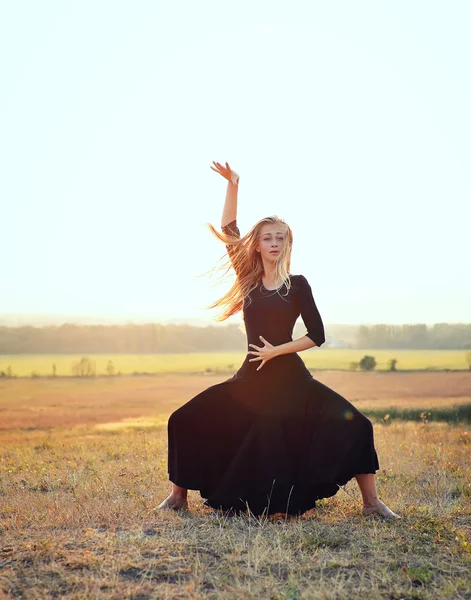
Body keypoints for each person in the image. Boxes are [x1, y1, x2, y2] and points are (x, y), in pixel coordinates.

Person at [158, 161, 399, 519]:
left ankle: (372, 503)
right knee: (184, 418)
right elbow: (228, 228)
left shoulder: (297, 284)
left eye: (280, 238)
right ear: (256, 245)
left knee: (358, 424)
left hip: (291, 378)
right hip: (250, 378)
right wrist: (234, 184)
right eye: (267, 238)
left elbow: (316, 335)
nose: (274, 243)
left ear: (288, 243)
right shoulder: (248, 280)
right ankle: (178, 496)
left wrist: (277, 351)